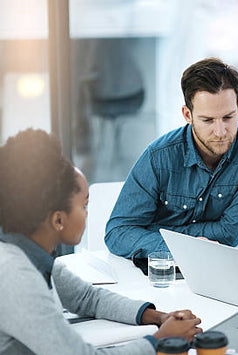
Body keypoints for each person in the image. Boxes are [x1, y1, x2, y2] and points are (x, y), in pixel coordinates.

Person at [0, 129, 202, 355]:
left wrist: (159, 317)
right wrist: (160, 341)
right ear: (58, 219)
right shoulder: (15, 276)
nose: (87, 214)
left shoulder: (30, 257)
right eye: (84, 206)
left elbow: (88, 298)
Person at [105, 57, 238, 258]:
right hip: (160, 268)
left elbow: (230, 233)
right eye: (208, 120)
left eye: (228, 117)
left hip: (220, 265)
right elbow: (118, 232)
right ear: (187, 114)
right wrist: (185, 245)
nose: (220, 131)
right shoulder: (159, 156)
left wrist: (158, 233)